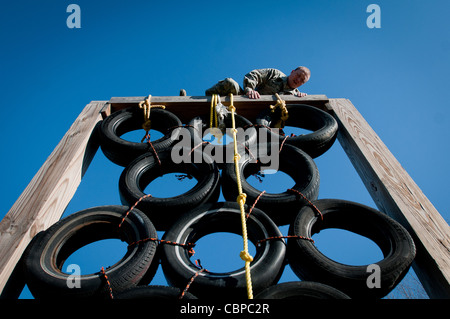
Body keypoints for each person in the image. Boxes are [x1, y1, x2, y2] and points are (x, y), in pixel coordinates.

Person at [205, 67, 310, 99]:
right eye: (298, 75)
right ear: (292, 72)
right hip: (248, 101)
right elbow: (254, 75)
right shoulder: (274, 74)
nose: (298, 80)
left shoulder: (296, 95)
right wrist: (250, 89)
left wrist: (301, 99)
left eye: (302, 80)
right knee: (229, 83)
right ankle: (207, 100)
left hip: (266, 120)